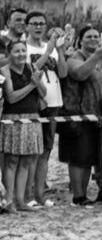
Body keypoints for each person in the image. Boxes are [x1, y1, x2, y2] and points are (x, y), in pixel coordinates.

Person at [59, 27, 102, 206]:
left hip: (97, 115)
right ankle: (78, 196)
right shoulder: (75, 57)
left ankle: (83, 195)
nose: (93, 39)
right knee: (77, 157)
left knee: (89, 158)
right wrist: (96, 55)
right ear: (80, 40)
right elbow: (80, 74)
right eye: (89, 36)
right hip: (78, 114)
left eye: (96, 36)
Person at [24, 13, 67, 208]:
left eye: (42, 23)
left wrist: (60, 51)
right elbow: (29, 71)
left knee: (46, 151)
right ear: (27, 26)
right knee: (31, 152)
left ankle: (40, 194)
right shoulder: (24, 48)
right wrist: (48, 51)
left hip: (54, 102)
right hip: (34, 103)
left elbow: (63, 73)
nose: (38, 27)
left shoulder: (51, 48)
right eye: (34, 23)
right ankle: (27, 194)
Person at [1, 40, 46, 211]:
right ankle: (8, 200)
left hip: (33, 117)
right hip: (13, 118)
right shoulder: (5, 71)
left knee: (27, 160)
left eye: (23, 50)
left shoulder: (32, 68)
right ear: (9, 54)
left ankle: (20, 201)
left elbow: (44, 93)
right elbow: (11, 97)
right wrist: (32, 85)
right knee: (12, 160)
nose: (21, 54)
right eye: (17, 51)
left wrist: (38, 83)